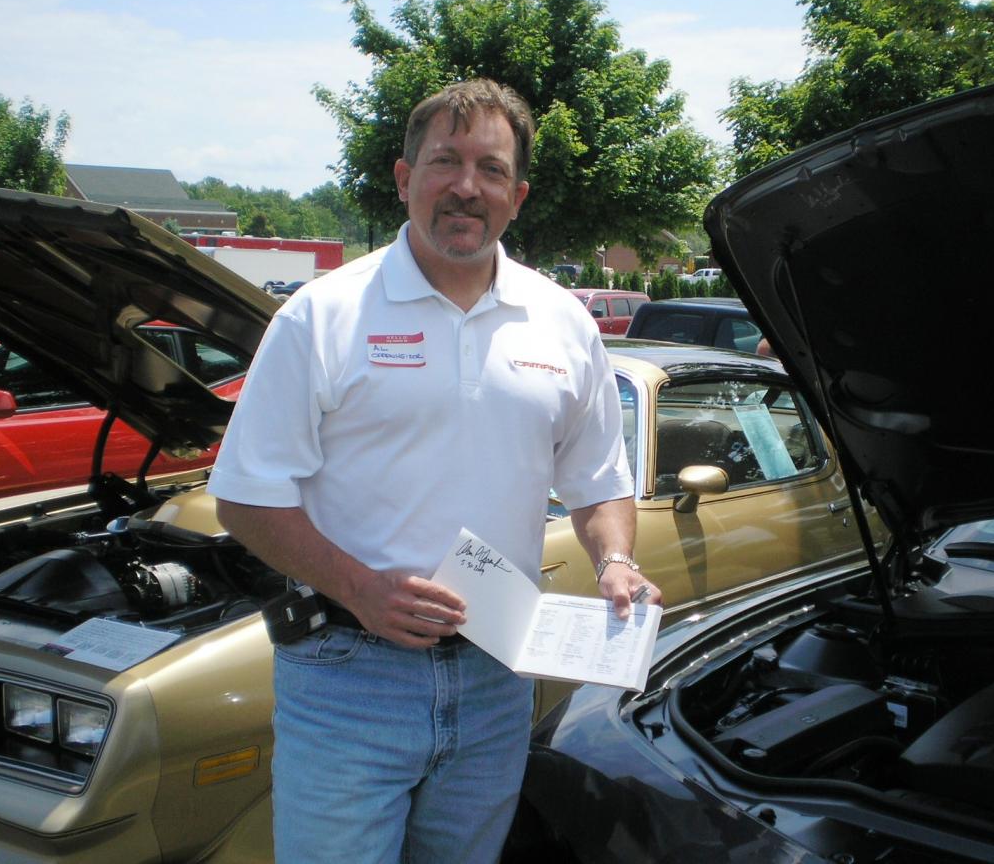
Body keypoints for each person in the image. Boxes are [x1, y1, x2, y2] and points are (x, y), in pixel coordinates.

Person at [208, 77, 660, 864]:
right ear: (403, 177)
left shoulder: (563, 321)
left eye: (489, 168)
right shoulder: (324, 313)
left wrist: (615, 560)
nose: (465, 186)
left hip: (497, 678)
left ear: (516, 195)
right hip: (349, 675)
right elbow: (245, 498)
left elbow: (598, 479)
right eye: (445, 161)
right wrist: (359, 587)